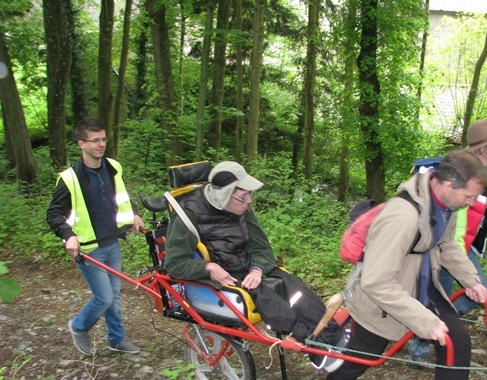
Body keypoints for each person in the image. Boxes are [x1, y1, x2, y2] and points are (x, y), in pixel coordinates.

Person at [317, 150, 487, 380]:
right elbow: (375, 281)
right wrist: (424, 321)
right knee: (363, 356)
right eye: (469, 195)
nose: (471, 203)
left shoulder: (447, 207)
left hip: (423, 282)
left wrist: (471, 279)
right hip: (382, 295)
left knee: (457, 342)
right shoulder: (402, 215)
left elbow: (446, 245)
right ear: (448, 185)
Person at [163, 161, 342, 365]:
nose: (249, 201)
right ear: (224, 195)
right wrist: (208, 266)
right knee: (268, 297)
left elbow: (262, 247)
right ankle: (315, 347)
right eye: (244, 197)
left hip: (248, 266)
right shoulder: (187, 215)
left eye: (250, 195)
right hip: (224, 276)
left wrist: (257, 269)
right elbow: (175, 264)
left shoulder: (241, 208)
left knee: (293, 285)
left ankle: (334, 336)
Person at [408, 119, 487, 366]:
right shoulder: (463, 175)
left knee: (473, 294)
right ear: (483, 150)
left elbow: (475, 219)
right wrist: (452, 254)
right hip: (443, 247)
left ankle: (431, 335)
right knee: (443, 301)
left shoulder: (485, 173)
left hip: (462, 247)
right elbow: (449, 216)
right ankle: (421, 346)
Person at [47, 118, 145, 356]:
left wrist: (133, 214)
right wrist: (69, 236)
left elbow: (120, 196)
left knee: (114, 296)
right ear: (81, 143)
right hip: (89, 248)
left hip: (112, 242)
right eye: (95, 140)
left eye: (103, 139)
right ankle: (78, 326)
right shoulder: (69, 178)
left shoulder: (113, 167)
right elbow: (54, 214)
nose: (101, 144)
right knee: (104, 297)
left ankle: (116, 339)